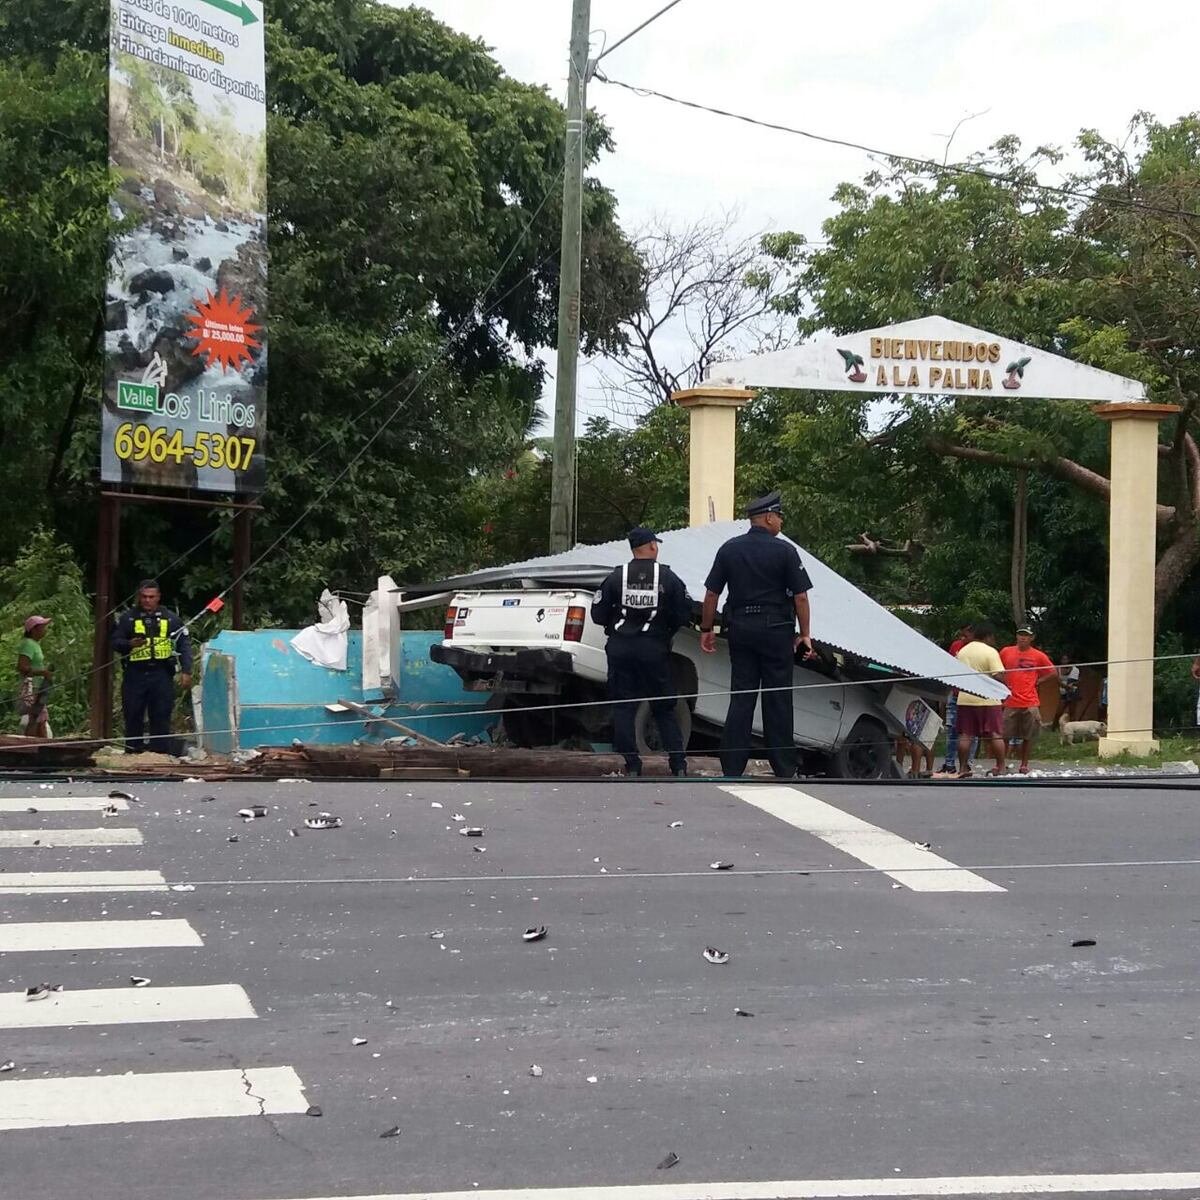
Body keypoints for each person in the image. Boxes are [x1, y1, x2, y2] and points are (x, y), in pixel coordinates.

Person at [699, 491, 814, 779]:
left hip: (740, 629)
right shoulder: (785, 551)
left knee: (741, 696)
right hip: (776, 631)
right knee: (777, 698)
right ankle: (784, 767)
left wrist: (706, 629)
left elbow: (712, 593)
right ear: (769, 517)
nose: (781, 522)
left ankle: (732, 766)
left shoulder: (729, 549)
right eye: (779, 517)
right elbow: (800, 597)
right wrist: (805, 634)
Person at [590, 527, 692, 777]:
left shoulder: (617, 577)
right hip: (653, 648)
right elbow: (683, 613)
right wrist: (664, 630)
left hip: (620, 648)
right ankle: (678, 765)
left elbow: (597, 613)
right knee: (663, 706)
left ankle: (632, 764)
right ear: (652, 546)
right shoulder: (667, 577)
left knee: (624, 706)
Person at [112, 579, 193, 756]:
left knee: (161, 714)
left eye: (151, 597)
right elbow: (115, 642)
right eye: (144, 597)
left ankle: (160, 753)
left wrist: (186, 670)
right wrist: (128, 644)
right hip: (135, 674)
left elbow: (184, 645)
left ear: (158, 597)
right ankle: (133, 752)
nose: (148, 600)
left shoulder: (171, 618)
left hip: (162, 673)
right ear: (139, 598)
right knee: (133, 714)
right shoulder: (128, 618)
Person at [953, 621, 1008, 777]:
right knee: (995, 734)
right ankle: (1001, 766)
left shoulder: (962, 652)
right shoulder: (990, 652)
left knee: (965, 734)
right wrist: (1006, 688)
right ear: (988, 636)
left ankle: (963, 768)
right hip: (989, 699)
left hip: (966, 698)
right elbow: (998, 674)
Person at [999, 626, 1056, 774]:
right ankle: (1001, 763)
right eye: (1020, 635)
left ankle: (1024, 764)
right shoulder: (1006, 651)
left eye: (1026, 635)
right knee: (1004, 734)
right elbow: (997, 669)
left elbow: (1052, 672)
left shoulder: (1038, 655)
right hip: (1010, 700)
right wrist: (1002, 682)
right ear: (1017, 636)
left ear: (1032, 638)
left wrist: (1038, 681)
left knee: (1029, 735)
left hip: (1030, 701)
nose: (1023, 638)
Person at [938, 622, 975, 775]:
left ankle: (967, 764)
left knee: (970, 732)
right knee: (952, 729)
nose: (962, 638)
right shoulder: (956, 646)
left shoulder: (978, 649)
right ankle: (949, 763)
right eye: (961, 635)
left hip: (972, 695)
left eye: (966, 635)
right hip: (955, 693)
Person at [16, 615, 53, 739]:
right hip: (32, 687)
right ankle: (34, 747)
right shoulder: (28, 644)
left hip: (38, 687)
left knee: (39, 718)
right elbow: (22, 667)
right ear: (33, 630)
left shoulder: (35, 644)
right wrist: (42, 672)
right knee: (36, 717)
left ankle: (38, 746)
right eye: (42, 627)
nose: (45, 630)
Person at [1055, 654, 1082, 729]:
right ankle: (1054, 728)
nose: (1065, 661)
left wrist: (1072, 684)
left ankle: (1074, 728)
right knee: (1059, 712)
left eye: (1066, 659)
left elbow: (1079, 680)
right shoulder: (1058, 669)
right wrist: (1066, 686)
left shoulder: (1075, 669)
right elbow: (1057, 681)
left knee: (1072, 712)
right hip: (1063, 692)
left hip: (1073, 692)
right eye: (1063, 659)